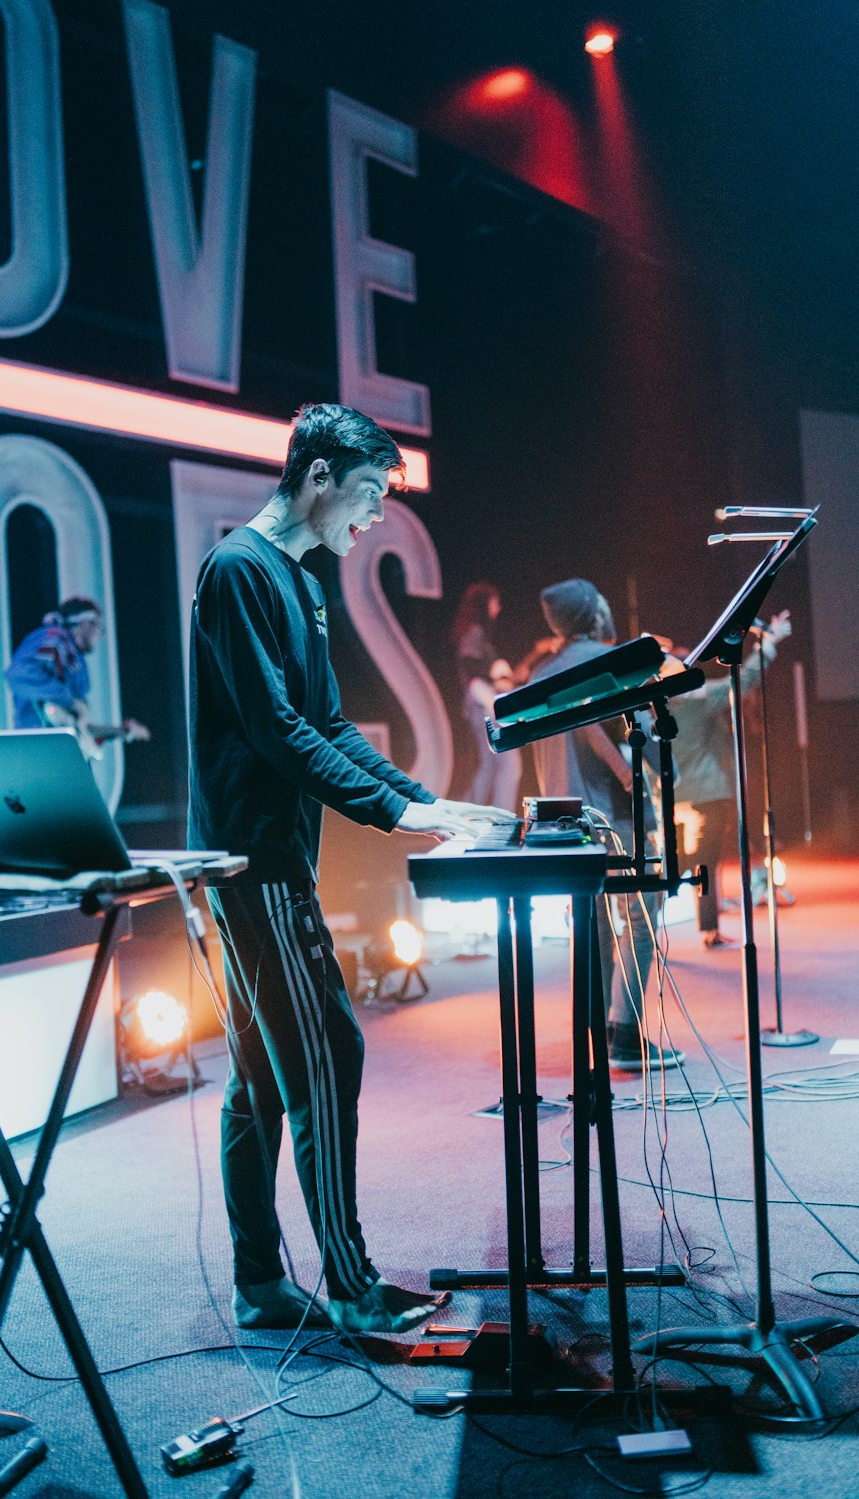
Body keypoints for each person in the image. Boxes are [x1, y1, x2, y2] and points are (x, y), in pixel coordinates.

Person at [187, 403, 513, 1335]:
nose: (373, 518)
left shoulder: (299, 582)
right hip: (253, 865)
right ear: (318, 474)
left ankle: (260, 1286)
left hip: (271, 858)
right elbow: (277, 730)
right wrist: (405, 812)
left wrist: (426, 801)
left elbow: (327, 725)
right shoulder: (239, 571)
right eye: (368, 493)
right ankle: (352, 1284)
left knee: (258, 1073)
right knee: (329, 1054)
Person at [527, 577, 681, 1070]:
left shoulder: (540, 675)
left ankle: (596, 1030)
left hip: (564, 819)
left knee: (589, 919)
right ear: (595, 613)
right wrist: (655, 770)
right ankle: (625, 1034)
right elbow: (642, 740)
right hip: (614, 813)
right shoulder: (615, 663)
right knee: (640, 913)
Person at [671, 610, 791, 947]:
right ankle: (709, 929)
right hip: (708, 791)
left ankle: (648, 913)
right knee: (704, 861)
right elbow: (745, 678)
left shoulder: (655, 702)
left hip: (672, 793)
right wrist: (770, 643)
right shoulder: (698, 696)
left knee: (678, 859)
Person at [5, 598, 149, 759]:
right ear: (86, 623)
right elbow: (19, 674)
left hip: (52, 748)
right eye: (97, 626)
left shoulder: (69, 651)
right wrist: (68, 699)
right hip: (41, 747)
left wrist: (117, 732)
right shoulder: (55, 638)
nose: (98, 635)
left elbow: (74, 725)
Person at [450, 582, 523, 809]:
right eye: (494, 602)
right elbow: (471, 667)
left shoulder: (473, 633)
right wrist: (495, 675)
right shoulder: (474, 633)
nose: (498, 608)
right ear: (484, 604)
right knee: (509, 765)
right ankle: (503, 816)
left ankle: (467, 813)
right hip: (485, 706)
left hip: (479, 706)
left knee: (490, 766)